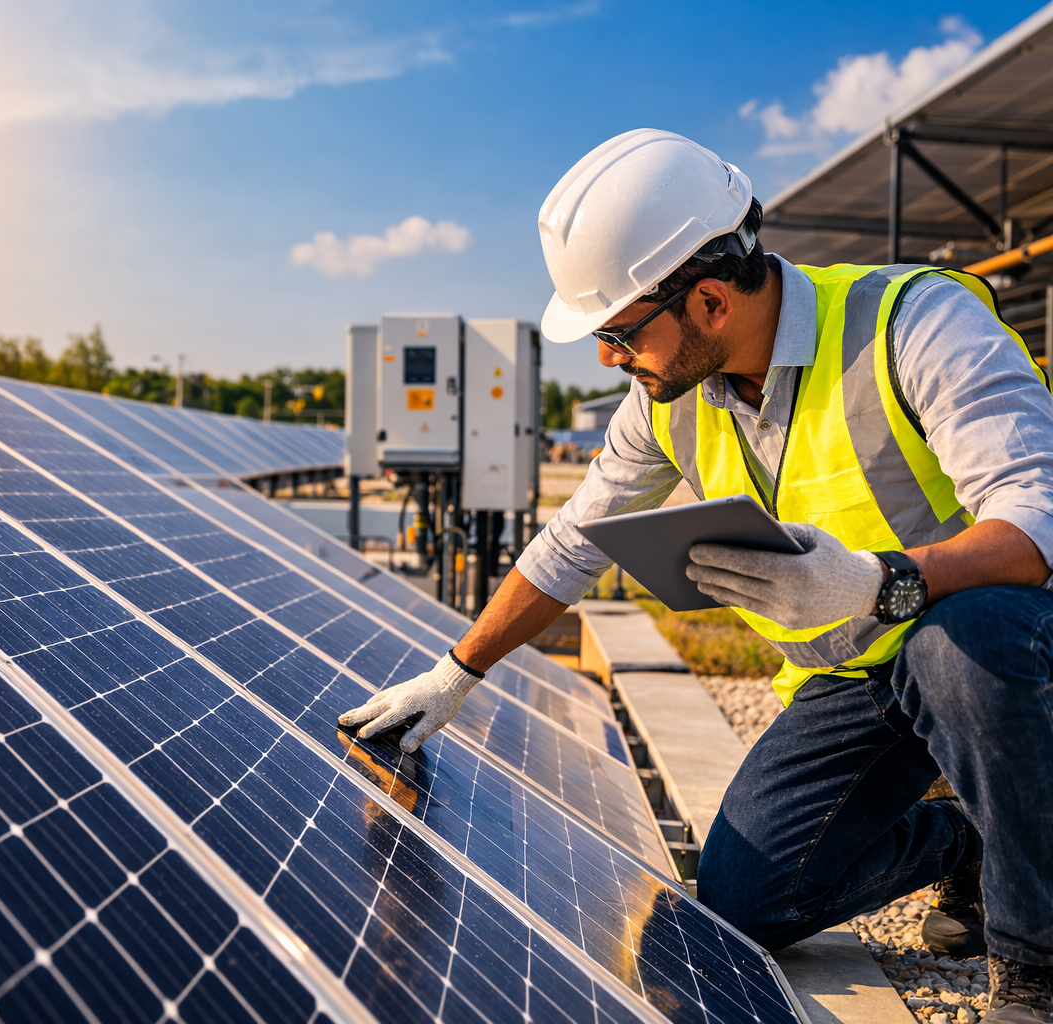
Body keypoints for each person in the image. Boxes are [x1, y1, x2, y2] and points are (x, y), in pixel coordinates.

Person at [338, 129, 1053, 1022]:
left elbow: (1038, 520)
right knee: (747, 905)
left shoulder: (915, 323)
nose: (608, 358)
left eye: (619, 333)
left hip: (992, 647)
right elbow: (574, 540)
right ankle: (963, 841)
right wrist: (457, 672)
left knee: (962, 642)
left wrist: (877, 582)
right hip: (855, 676)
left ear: (711, 300)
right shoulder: (665, 403)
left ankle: (1033, 963)